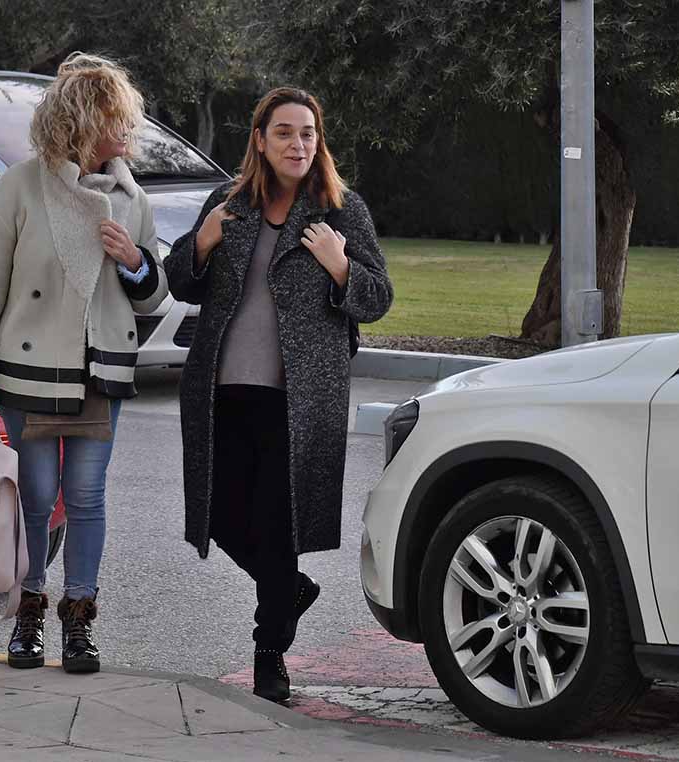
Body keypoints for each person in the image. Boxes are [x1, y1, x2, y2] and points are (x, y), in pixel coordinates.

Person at [164, 87, 393, 702]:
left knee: (274, 526)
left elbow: (377, 298)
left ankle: (270, 657)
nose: (298, 144)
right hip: (222, 391)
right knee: (221, 514)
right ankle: (288, 586)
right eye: (285, 133)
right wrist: (203, 241)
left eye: (308, 134)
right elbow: (179, 279)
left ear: (319, 143)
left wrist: (341, 266)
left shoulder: (342, 211)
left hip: (299, 401)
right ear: (260, 141)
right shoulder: (227, 203)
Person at [0, 52, 167, 673]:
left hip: (100, 369)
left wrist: (134, 261)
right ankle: (28, 613)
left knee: (88, 494)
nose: (127, 131)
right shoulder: (17, 187)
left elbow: (154, 296)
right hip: (28, 369)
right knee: (38, 497)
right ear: (80, 121)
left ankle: (79, 620)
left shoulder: (130, 198)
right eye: (116, 118)